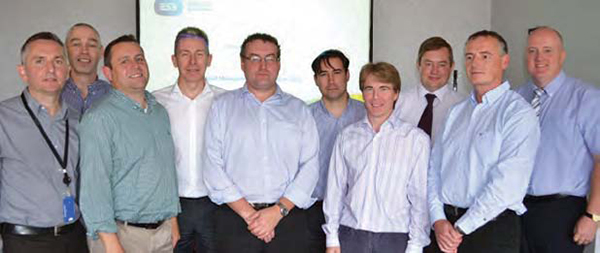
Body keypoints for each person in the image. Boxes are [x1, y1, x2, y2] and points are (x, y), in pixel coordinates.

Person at [203, 33, 320, 253]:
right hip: (236, 221)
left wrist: (278, 211)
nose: (263, 65)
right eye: (255, 58)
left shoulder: (299, 110)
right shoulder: (222, 107)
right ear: (242, 63)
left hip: (289, 220)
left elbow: (311, 166)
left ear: (278, 63)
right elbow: (212, 166)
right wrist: (251, 216)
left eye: (270, 58)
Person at [427, 30, 540, 253]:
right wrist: (437, 220)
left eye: (485, 55)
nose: (475, 63)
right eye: (469, 56)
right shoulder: (455, 113)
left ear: (504, 61)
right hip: (444, 229)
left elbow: (507, 185)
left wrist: (460, 229)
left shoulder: (517, 113)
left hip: (490, 231)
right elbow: (433, 170)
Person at [79, 35, 180, 253]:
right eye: (124, 61)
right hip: (121, 236)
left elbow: (165, 172)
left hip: (162, 234)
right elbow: (94, 186)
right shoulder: (99, 118)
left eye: (139, 58)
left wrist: (172, 223)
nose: (135, 66)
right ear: (108, 73)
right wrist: (111, 243)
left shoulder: (159, 112)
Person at [323, 62, 430, 253]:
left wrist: (415, 246)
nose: (376, 97)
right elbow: (334, 190)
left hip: (395, 238)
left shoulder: (416, 139)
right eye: (369, 89)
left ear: (396, 93)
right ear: (362, 93)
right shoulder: (346, 136)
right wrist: (332, 238)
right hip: (351, 235)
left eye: (384, 89)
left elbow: (419, 197)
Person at [0, 31, 88, 252]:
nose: (51, 69)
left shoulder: (78, 120)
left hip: (74, 237)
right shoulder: (3, 118)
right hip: (25, 242)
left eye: (58, 61)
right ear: (23, 72)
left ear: (68, 71)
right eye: (40, 61)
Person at [516, 26, 600, 253]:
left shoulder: (586, 98)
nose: (539, 58)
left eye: (547, 50)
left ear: (562, 56)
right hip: (517, 211)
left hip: (562, 215)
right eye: (532, 51)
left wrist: (593, 215)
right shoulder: (517, 98)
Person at [153, 27, 226, 253]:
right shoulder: (156, 102)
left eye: (199, 54)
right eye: (185, 54)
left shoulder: (225, 101)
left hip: (216, 203)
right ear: (174, 60)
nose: (192, 61)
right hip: (172, 205)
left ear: (209, 59)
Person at [307, 49, 366, 252]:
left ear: (348, 75)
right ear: (316, 79)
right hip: (313, 209)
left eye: (337, 72)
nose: (331, 80)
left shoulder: (366, 113)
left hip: (357, 210)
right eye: (324, 74)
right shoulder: (304, 117)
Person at [395, 36, 465, 140]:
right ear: (418, 65)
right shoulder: (398, 103)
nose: (434, 71)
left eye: (441, 65)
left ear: (451, 67)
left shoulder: (462, 107)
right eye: (428, 64)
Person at [61, 23, 111, 114]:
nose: (84, 51)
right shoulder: (53, 94)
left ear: (101, 52)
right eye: (76, 44)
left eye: (91, 45)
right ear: (65, 50)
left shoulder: (113, 96)